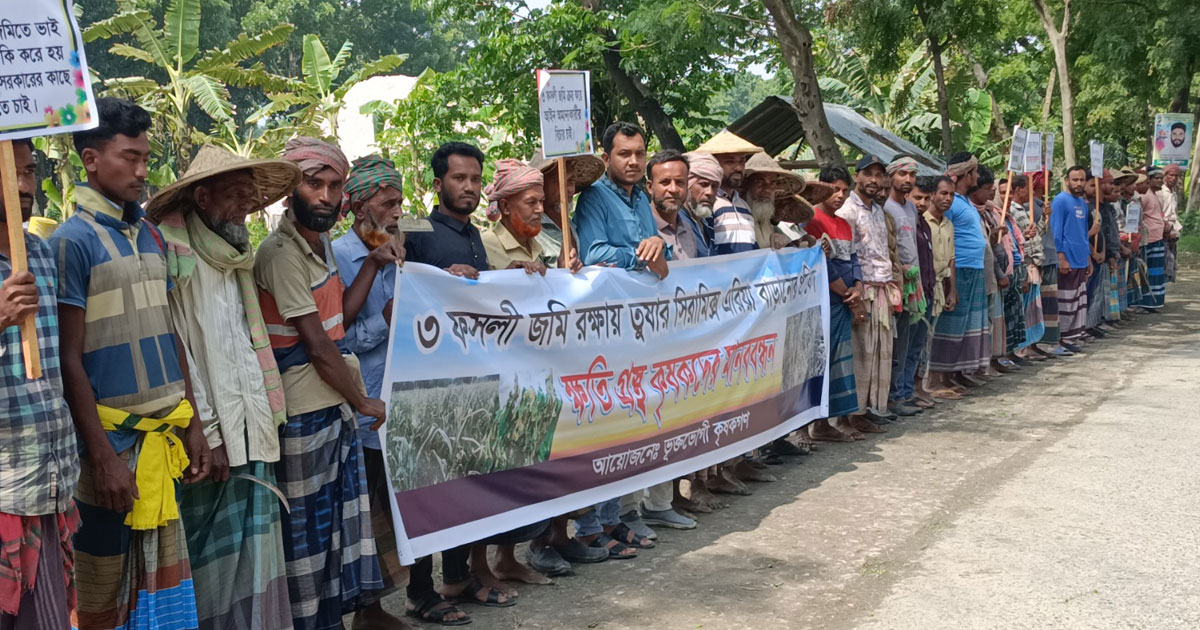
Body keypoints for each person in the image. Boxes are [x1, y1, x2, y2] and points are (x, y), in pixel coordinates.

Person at [51, 97, 209, 630]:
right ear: (91, 159)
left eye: (146, 158)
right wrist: (101, 457)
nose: (143, 171)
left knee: (160, 588)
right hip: (112, 447)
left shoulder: (150, 235)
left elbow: (172, 333)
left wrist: (193, 424)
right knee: (102, 590)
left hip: (162, 440)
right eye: (129, 157)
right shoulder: (71, 243)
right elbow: (68, 359)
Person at [145, 146, 300, 630]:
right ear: (203, 196)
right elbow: (179, 353)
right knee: (205, 559)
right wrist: (204, 430)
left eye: (250, 199)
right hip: (207, 438)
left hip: (249, 428)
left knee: (255, 558)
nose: (244, 210)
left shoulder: (236, 260)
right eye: (235, 197)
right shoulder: (175, 258)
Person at [253, 137, 388, 630]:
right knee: (308, 541)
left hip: (332, 406)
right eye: (315, 183)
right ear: (293, 187)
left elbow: (338, 321)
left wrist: (372, 264)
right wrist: (364, 402)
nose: (326, 195)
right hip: (304, 412)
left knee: (336, 535)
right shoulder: (280, 253)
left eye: (334, 185)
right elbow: (317, 347)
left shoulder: (318, 244)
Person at [0, 139, 80, 630]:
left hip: (50, 477)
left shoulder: (42, 255)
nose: (26, 187)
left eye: (30, 172)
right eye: (13, 175)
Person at [804, 166, 865, 442]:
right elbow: (822, 264)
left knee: (841, 360)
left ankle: (832, 419)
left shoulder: (844, 224)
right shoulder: (812, 220)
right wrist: (846, 293)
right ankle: (818, 422)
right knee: (822, 360)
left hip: (844, 297)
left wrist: (859, 285)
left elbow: (853, 259)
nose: (840, 195)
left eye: (844, 190)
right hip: (828, 299)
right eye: (834, 189)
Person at [836, 155, 896, 432]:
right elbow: (848, 256)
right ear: (856, 176)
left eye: (879, 174)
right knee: (860, 354)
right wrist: (856, 293)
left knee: (876, 355)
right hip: (863, 290)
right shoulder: (848, 210)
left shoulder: (877, 210)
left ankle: (867, 410)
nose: (874, 180)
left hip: (882, 289)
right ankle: (851, 414)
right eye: (868, 173)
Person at [928, 152, 991, 391]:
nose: (976, 175)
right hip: (960, 267)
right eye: (974, 172)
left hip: (973, 269)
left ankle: (953, 374)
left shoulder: (963, 200)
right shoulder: (952, 202)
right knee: (950, 323)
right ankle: (936, 379)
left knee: (966, 325)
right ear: (965, 174)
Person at [573, 122, 668, 278]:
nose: (634, 162)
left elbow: (658, 252)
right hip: (611, 298)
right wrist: (642, 257)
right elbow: (593, 255)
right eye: (624, 154)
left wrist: (659, 243)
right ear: (606, 159)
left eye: (640, 154)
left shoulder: (641, 198)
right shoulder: (593, 197)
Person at [882, 156, 925, 417]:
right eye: (903, 174)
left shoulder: (910, 208)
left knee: (909, 340)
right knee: (895, 343)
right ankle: (891, 397)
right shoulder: (886, 208)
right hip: (896, 283)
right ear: (892, 176)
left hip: (914, 284)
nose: (907, 180)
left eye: (912, 175)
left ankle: (902, 393)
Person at [919, 176, 962, 398]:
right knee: (920, 338)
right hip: (923, 286)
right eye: (943, 193)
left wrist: (952, 290)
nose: (947, 198)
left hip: (939, 286)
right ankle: (920, 386)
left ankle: (928, 384)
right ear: (932, 195)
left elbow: (951, 259)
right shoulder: (922, 220)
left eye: (951, 194)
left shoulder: (948, 224)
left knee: (931, 335)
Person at [530, 148, 604, 269]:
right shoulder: (533, 231)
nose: (568, 189)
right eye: (558, 181)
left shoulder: (572, 226)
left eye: (571, 181)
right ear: (541, 185)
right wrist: (562, 271)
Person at [694, 131, 764, 255]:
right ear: (714, 164)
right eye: (730, 162)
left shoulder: (743, 205)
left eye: (742, 161)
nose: (738, 168)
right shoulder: (707, 203)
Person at [1051, 166, 1093, 346]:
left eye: (1082, 180)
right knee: (1066, 301)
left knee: (1079, 300)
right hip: (1067, 258)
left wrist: (1088, 257)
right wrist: (1061, 256)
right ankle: (1064, 336)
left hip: (1081, 258)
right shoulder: (1060, 201)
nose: (1078, 183)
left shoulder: (1083, 203)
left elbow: (1083, 232)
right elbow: (1055, 230)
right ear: (1067, 181)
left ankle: (1076, 333)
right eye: (1074, 180)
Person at [1008, 175, 1046, 360]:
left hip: (1034, 262)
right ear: (1017, 190)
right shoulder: (1012, 211)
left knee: (1033, 309)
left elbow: (1035, 234)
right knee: (1025, 309)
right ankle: (1023, 347)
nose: (1031, 192)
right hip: (1026, 263)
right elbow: (1016, 239)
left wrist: (1044, 218)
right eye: (1028, 189)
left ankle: (1031, 344)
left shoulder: (1025, 210)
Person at [741, 152, 803, 250]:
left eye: (773, 183)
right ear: (746, 184)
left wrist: (796, 241)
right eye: (759, 182)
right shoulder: (737, 216)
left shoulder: (766, 219)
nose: (767, 189)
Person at [683, 151, 723, 249]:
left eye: (714, 186)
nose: (709, 192)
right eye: (703, 185)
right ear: (687, 184)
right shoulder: (676, 222)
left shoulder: (709, 222)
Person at [1158, 164, 1183, 283]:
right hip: (1163, 232)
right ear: (1165, 176)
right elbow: (1159, 214)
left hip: (1172, 231)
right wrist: (1166, 230)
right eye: (1171, 175)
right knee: (1161, 265)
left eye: (1176, 176)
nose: (1173, 178)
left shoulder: (1173, 193)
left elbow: (1174, 214)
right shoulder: (1161, 192)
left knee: (1169, 265)